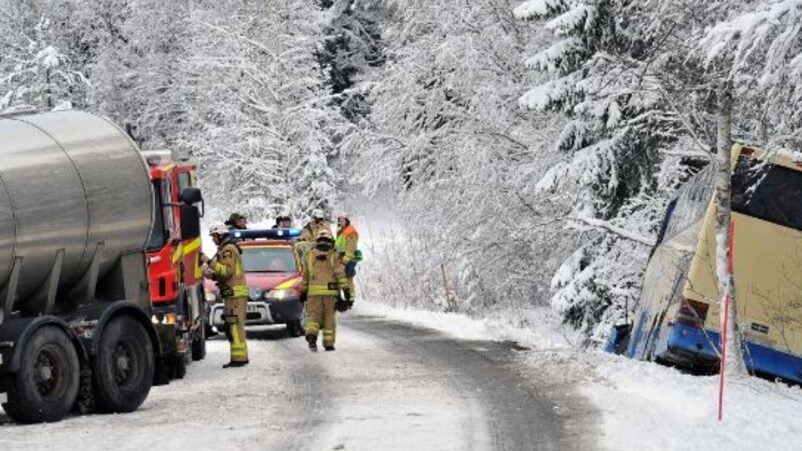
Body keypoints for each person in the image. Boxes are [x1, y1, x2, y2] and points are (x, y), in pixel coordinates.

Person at [202, 223, 249, 368]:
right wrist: (212, 276)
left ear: (220, 235)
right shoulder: (227, 249)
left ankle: (239, 359)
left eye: (214, 236)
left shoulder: (228, 250)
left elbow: (226, 271)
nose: (213, 240)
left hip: (234, 295)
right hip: (232, 295)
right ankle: (240, 357)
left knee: (233, 326)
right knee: (234, 326)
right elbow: (224, 274)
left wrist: (208, 262)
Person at [300, 228, 351, 351]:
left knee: (313, 316)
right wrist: (346, 289)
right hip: (330, 293)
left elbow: (305, 275)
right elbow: (340, 273)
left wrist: (303, 291)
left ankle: (312, 335)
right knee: (329, 318)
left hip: (313, 293)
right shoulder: (334, 255)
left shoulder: (310, 255)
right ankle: (329, 344)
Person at [335, 213, 360, 296]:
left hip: (348, 260)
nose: (340, 222)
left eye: (342, 220)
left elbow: (350, 250)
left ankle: (350, 300)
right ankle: (338, 299)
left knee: (348, 280)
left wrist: (343, 263)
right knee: (338, 279)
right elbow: (339, 246)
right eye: (339, 220)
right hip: (340, 259)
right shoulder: (340, 231)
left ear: (347, 221)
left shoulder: (351, 232)